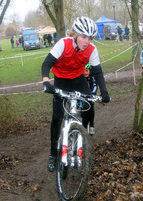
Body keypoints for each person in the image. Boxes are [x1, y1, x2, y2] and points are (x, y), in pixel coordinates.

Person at [41, 16, 110, 172]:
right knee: (57, 118)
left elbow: (98, 72)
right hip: (61, 81)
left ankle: (81, 133)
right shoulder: (63, 44)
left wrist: (105, 92)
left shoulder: (92, 49)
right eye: (84, 37)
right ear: (75, 34)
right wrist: (46, 82)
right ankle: (53, 154)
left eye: (90, 38)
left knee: (89, 105)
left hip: (78, 80)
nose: (87, 41)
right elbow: (47, 63)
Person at [83, 63, 97, 135]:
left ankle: (91, 126)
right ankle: (83, 126)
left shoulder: (91, 78)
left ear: (89, 71)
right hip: (81, 97)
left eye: (86, 71)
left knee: (91, 108)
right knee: (82, 111)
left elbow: (94, 86)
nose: (85, 73)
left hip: (90, 96)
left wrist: (92, 94)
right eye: (84, 71)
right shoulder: (80, 78)